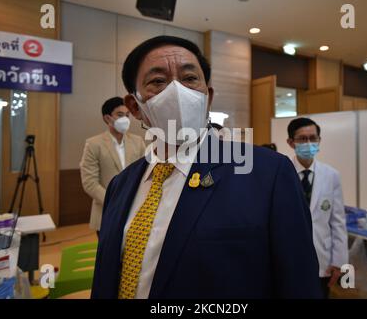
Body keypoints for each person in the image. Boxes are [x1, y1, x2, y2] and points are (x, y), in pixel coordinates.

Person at [91, 36, 322, 299]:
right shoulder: (120, 185)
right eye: (158, 81)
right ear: (135, 106)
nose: (178, 91)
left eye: (190, 79)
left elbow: (299, 282)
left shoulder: (267, 174)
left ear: (207, 97)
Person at [286, 117, 348, 298]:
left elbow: (338, 222)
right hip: (288, 256)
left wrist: (339, 261)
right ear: (291, 143)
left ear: (319, 140)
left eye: (313, 138)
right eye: (302, 139)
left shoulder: (331, 175)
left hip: (322, 259)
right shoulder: (282, 172)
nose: (308, 143)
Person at [80, 97, 146, 237]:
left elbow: (144, 174)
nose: (125, 119)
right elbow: (89, 182)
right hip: (106, 211)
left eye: (127, 115)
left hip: (135, 210)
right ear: (107, 118)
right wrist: (115, 201)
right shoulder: (93, 144)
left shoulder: (138, 141)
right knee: (108, 256)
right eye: (120, 115)